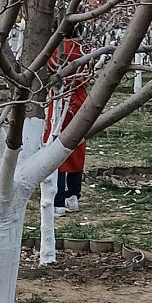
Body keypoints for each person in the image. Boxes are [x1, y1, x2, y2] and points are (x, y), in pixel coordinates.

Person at [44, 28, 90, 217]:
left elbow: (49, 72)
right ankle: (73, 195)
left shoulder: (56, 51)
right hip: (80, 102)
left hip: (60, 101)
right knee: (77, 148)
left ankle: (58, 201)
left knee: (56, 148)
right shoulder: (85, 49)